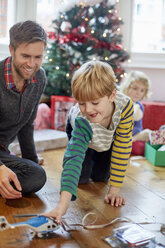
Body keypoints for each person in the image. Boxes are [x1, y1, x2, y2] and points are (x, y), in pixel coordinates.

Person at [43, 60, 134, 223]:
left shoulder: (125, 107)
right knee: (80, 179)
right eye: (82, 103)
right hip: (83, 135)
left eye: (95, 102)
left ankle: (98, 158)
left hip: (107, 139)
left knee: (101, 177)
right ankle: (90, 155)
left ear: (112, 95)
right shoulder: (81, 118)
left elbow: (122, 146)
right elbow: (73, 159)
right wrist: (62, 206)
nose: (88, 109)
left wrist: (115, 190)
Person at [0, 20, 47, 199]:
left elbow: (27, 124)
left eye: (38, 57)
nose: (31, 64)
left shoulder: (39, 77)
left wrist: (30, 162)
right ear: (12, 50)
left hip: (3, 152)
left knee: (36, 176)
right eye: (25, 56)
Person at [120, 71, 152, 155]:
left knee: (142, 146)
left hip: (133, 136)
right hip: (121, 135)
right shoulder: (121, 102)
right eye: (135, 88)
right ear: (127, 87)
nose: (138, 93)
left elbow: (138, 125)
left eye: (142, 90)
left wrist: (135, 132)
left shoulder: (140, 106)